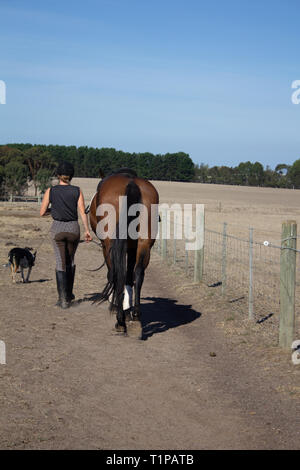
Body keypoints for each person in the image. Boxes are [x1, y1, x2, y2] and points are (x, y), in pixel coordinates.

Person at [40, 161, 92, 309]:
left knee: (60, 263)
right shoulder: (77, 190)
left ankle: (62, 299)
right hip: (74, 229)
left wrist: (54, 210)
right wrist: (87, 230)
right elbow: (82, 212)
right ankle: (69, 295)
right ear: (71, 176)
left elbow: (42, 212)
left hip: (57, 229)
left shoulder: (51, 191)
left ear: (58, 175)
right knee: (70, 261)